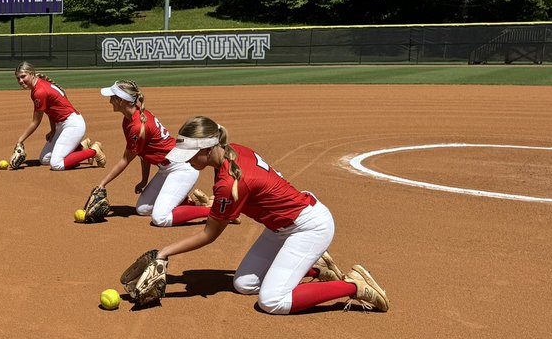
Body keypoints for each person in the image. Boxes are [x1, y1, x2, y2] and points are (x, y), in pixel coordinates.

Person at [137, 115, 389, 313]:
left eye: (189, 155)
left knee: (273, 301)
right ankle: (316, 269)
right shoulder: (231, 151)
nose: (185, 160)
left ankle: (355, 285)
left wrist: (164, 253)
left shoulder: (228, 182)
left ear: (207, 148)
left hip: (308, 227)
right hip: (281, 226)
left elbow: (209, 234)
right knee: (244, 285)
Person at [94, 80, 212, 227]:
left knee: (160, 218)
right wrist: (144, 180)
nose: (110, 100)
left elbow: (125, 160)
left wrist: (103, 183)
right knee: (143, 209)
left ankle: (212, 211)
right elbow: (142, 152)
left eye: (112, 96)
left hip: (182, 168)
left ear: (121, 100)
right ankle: (190, 201)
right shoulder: (132, 118)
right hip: (166, 169)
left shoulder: (137, 125)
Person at [13, 61, 104, 171]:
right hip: (62, 125)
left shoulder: (39, 92)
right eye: (18, 78)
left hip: (73, 125)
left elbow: (35, 122)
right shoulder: (39, 85)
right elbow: (51, 110)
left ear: (32, 74)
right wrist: (53, 130)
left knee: (56, 164)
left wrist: (20, 140)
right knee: (45, 159)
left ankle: (93, 151)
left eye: (23, 77)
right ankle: (81, 147)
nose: (20, 81)